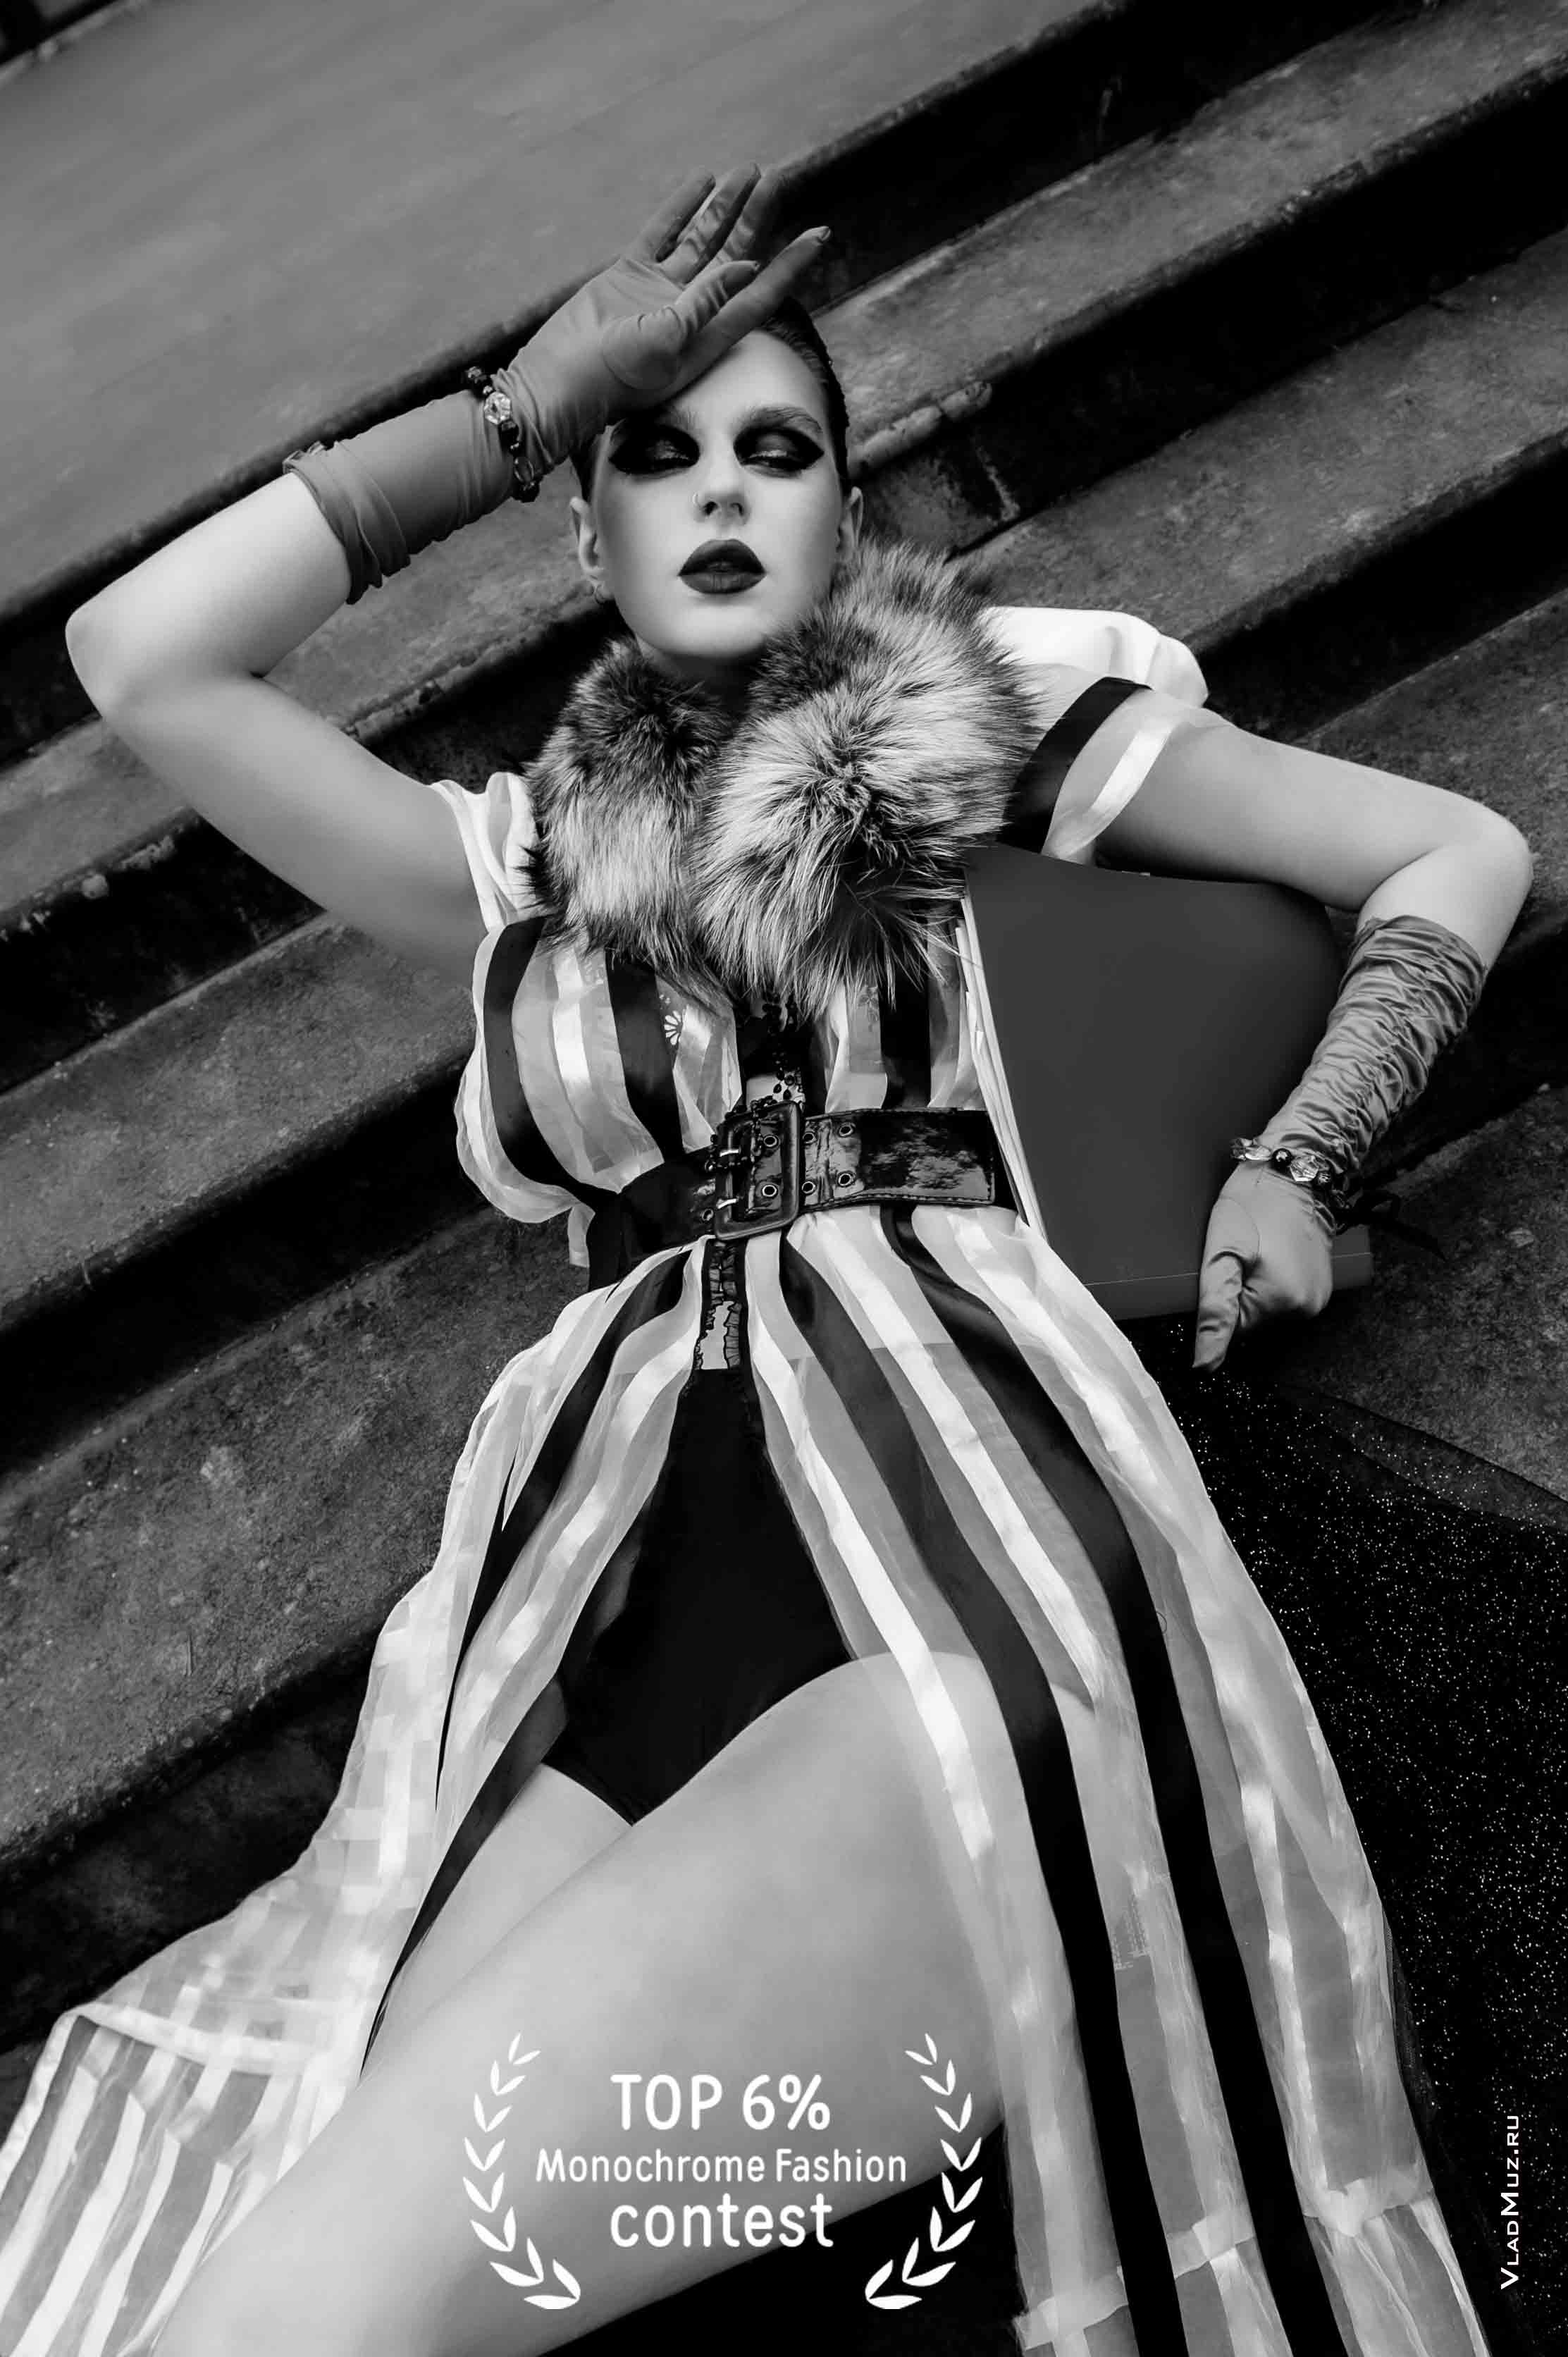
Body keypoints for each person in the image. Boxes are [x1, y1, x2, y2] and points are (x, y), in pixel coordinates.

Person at [0, 163, 1550, 2357]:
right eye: (658, 453)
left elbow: (1446, 851)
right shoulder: (517, 871)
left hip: (958, 1557)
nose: (722, 489)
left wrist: (1302, 1157)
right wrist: (521, 407)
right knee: (252, 2264)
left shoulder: (986, 717)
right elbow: (141, 663)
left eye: (777, 449)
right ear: (588, 530)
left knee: (306, 2324)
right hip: (610, 1614)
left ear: (841, 508)